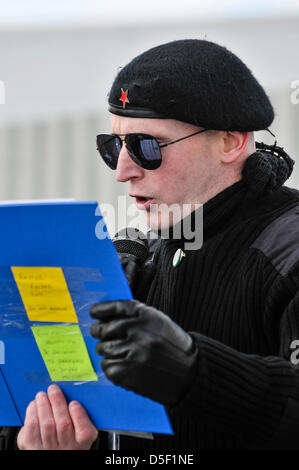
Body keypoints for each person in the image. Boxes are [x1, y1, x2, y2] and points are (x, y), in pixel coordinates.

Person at [4, 38, 299, 450]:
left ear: (231, 142)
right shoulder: (135, 259)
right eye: (113, 147)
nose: (123, 171)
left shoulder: (288, 253)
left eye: (147, 147)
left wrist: (195, 372)